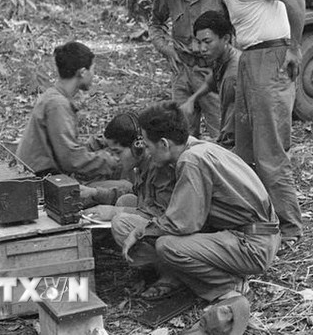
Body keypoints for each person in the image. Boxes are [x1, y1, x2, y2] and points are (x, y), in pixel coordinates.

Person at [176, 0, 304, 246]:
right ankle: (257, 218)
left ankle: (290, 228)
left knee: (270, 151)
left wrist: (295, 49)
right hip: (249, 59)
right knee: (243, 149)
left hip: (270, 57)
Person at [111, 102, 279, 335]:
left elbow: (183, 223)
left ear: (164, 144)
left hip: (252, 244)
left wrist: (141, 231)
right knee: (159, 238)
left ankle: (228, 287)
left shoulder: (191, 161)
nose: (146, 152)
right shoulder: (199, 148)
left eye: (149, 146)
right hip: (253, 234)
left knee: (167, 246)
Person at [16, 42, 130, 205]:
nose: (93, 75)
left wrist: (98, 145)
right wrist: (110, 161)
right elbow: (71, 159)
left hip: (45, 180)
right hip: (44, 187)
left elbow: (66, 148)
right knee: (125, 188)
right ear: (82, 72)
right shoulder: (58, 105)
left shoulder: (53, 97)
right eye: (93, 70)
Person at [150, 0, 223, 138]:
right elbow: (156, 24)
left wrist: (222, 63)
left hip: (211, 73)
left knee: (221, 131)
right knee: (182, 133)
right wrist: (167, 49)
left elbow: (235, 29)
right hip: (181, 71)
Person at [85, 112, 175, 221]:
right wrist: (94, 193)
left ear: (137, 148)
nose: (115, 158)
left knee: (120, 222)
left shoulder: (160, 166)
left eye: (118, 152)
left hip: (168, 227)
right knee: (126, 200)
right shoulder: (141, 166)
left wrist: (114, 212)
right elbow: (134, 193)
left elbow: (161, 215)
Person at [183, 10, 241, 149]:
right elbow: (212, 80)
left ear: (226, 38)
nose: (201, 48)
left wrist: (216, 145)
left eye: (207, 42)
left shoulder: (232, 76)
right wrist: (192, 99)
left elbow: (232, 128)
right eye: (199, 42)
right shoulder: (220, 57)